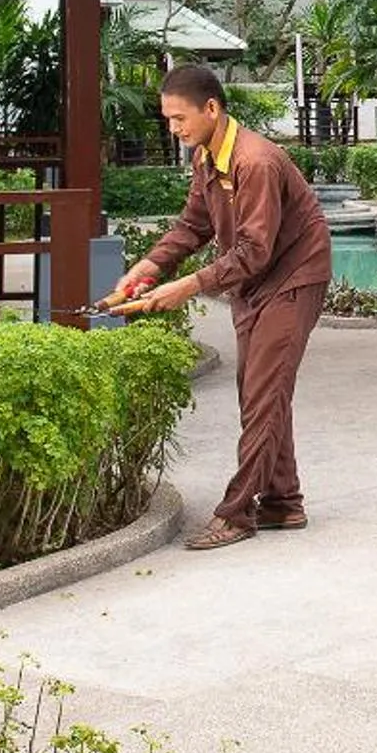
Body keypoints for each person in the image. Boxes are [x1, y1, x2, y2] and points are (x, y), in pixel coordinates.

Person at [107, 64, 332, 550]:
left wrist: (187, 286)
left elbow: (254, 250)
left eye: (179, 118)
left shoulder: (256, 161)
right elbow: (193, 225)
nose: (173, 129)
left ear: (211, 108)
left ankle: (237, 514)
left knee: (263, 394)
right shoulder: (207, 156)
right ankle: (283, 502)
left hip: (293, 277)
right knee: (259, 393)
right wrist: (148, 267)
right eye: (168, 120)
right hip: (256, 282)